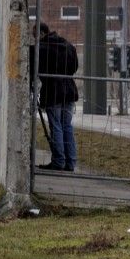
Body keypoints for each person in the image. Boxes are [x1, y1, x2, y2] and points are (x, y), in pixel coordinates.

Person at [31, 22, 79, 172]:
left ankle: (58, 161)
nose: (35, 40)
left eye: (35, 36)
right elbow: (74, 67)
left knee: (56, 126)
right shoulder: (68, 46)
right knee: (67, 126)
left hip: (53, 91)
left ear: (41, 33)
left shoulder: (42, 49)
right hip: (69, 89)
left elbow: (34, 69)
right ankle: (70, 162)